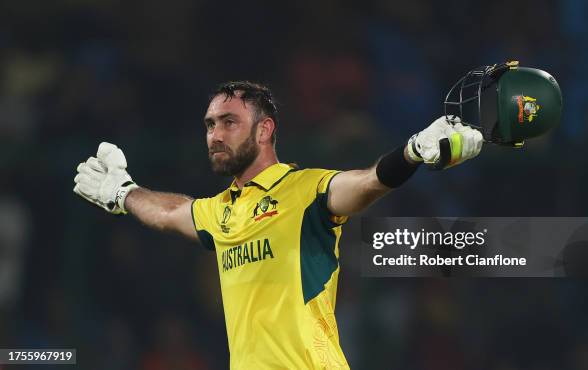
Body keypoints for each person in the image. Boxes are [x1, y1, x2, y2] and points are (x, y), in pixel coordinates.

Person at [73, 81, 483, 369]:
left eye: (228, 122)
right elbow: (168, 212)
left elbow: (367, 182)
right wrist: (122, 192)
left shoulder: (304, 189)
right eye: (210, 125)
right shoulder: (221, 212)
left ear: (264, 129)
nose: (215, 134)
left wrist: (411, 153)